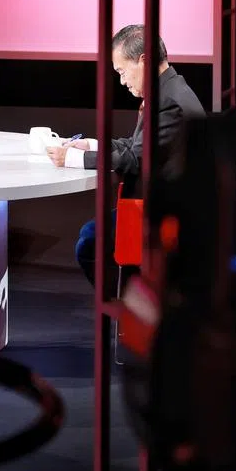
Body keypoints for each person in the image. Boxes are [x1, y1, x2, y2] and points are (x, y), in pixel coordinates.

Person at [46, 24, 205, 288]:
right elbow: (137, 146)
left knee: (89, 242)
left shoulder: (168, 102)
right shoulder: (171, 89)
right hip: (162, 205)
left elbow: (136, 160)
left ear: (143, 60)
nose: (122, 81)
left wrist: (71, 159)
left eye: (121, 71)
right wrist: (90, 145)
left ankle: (129, 307)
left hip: (165, 215)